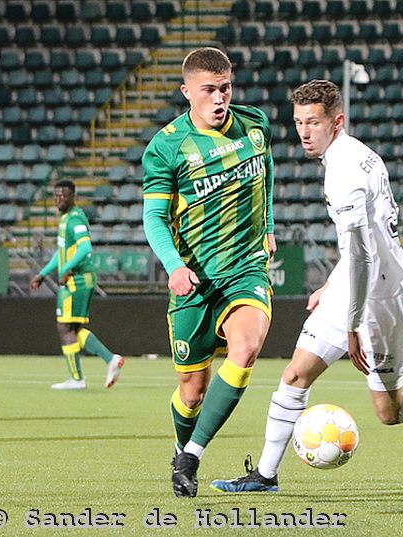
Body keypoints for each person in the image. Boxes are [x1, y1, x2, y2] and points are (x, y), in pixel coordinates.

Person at [211, 79, 403, 494]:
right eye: (299, 122)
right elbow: (360, 248)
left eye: (314, 123)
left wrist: (354, 324)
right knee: (295, 374)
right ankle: (265, 476)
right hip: (353, 287)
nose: (304, 132)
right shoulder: (356, 155)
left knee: (389, 412)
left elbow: (364, 256)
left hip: (381, 301)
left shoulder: (343, 174)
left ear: (336, 122)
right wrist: (333, 284)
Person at [142, 47, 277, 498]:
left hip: (245, 269)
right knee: (192, 391)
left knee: (247, 346)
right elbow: (154, 219)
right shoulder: (166, 147)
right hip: (195, 282)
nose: (220, 99)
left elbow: (267, 170)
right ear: (187, 93)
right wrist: (174, 265)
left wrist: (269, 224)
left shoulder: (254, 124)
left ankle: (192, 455)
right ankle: (183, 450)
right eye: (209, 90)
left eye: (225, 88)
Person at [29, 180, 124, 391]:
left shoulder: (75, 219)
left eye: (63, 195)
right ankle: (109, 360)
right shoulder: (65, 220)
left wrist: (67, 268)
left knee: (64, 327)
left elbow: (85, 248)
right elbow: (62, 252)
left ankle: (77, 378)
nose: (59, 199)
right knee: (73, 328)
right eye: (56, 196)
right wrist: (43, 274)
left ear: (73, 196)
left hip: (78, 279)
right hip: (77, 278)